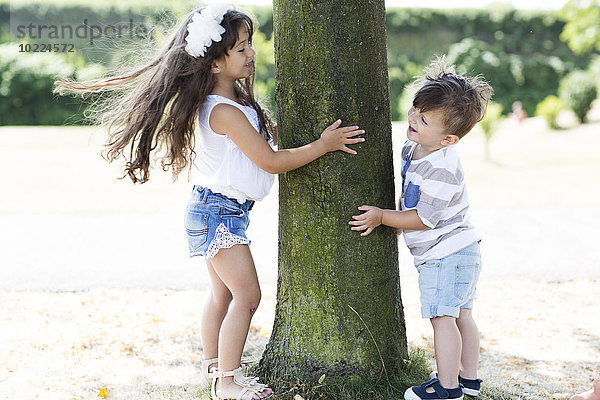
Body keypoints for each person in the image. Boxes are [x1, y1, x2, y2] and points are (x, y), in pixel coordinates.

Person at [55, 5, 365, 400]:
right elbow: (270, 162)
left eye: (249, 44)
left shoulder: (233, 102)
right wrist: (323, 145)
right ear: (215, 63)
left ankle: (215, 370)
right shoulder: (222, 111)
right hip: (219, 214)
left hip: (217, 210)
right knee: (247, 296)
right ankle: (227, 382)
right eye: (241, 48)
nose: (251, 53)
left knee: (222, 296)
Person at [348, 57, 492, 400]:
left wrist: (385, 217)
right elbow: (410, 196)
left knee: (444, 319)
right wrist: (397, 213)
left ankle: (448, 388)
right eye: (415, 109)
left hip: (446, 254)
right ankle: (468, 379)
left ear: (448, 139)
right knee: (461, 317)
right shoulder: (414, 149)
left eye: (424, 119)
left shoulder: (442, 167)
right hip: (457, 252)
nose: (413, 119)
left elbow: (425, 217)